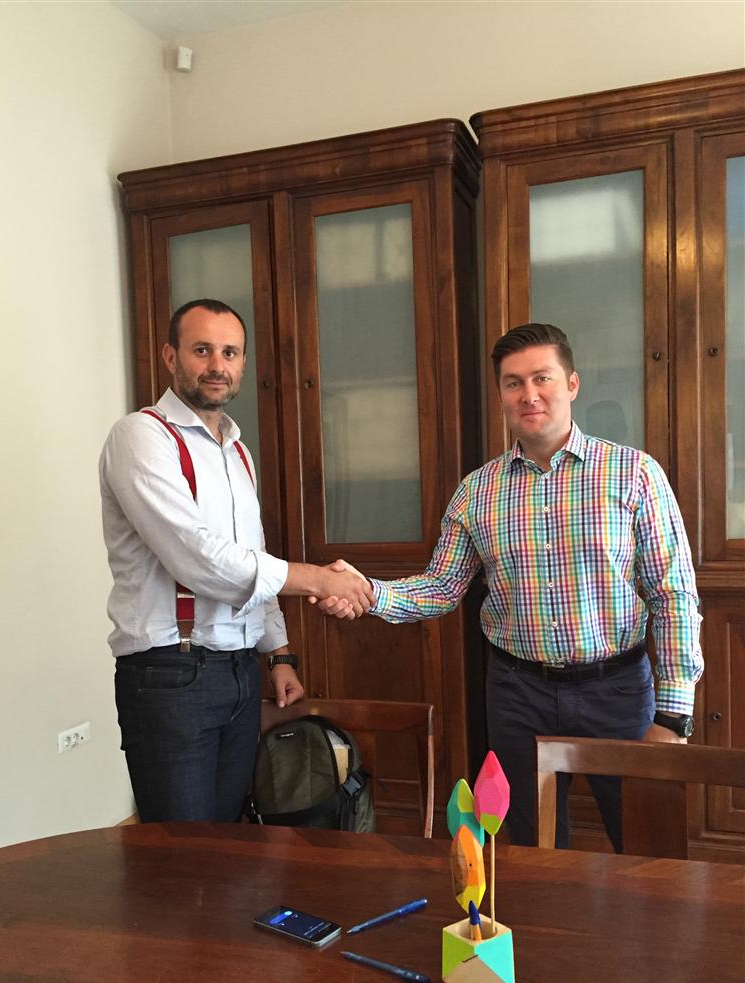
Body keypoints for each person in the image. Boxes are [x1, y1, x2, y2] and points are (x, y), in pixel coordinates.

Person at [314, 323, 703, 851]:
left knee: (645, 846)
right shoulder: (477, 491)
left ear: (572, 384)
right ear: (500, 395)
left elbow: (672, 593)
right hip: (518, 694)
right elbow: (441, 587)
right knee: (530, 849)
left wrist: (674, 715)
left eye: (542, 378)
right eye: (513, 383)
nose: (529, 394)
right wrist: (366, 591)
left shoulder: (633, 474)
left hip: (617, 691)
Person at [100, 298, 374, 824]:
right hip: (170, 673)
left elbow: (252, 558)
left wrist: (279, 654)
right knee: (184, 849)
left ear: (243, 363)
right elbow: (196, 558)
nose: (217, 366)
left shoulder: (236, 451)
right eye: (201, 350)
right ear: (170, 356)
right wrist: (315, 579)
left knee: (230, 841)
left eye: (230, 353)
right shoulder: (141, 436)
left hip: (239, 670)